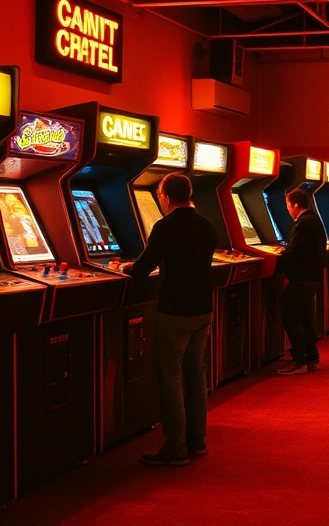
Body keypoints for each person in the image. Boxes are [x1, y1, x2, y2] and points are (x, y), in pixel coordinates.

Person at [122, 172, 217, 466]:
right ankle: (197, 440)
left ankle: (175, 447)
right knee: (196, 374)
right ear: (189, 194)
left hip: (175, 310)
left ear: (164, 197)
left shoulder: (165, 226)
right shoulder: (206, 225)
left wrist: (124, 267)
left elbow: (143, 267)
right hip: (203, 309)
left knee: (171, 377)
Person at [276, 188, 328, 375]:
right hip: (311, 277)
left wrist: (281, 256)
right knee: (306, 318)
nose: (288, 210)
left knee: (290, 316)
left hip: (301, 278)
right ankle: (312, 359)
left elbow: (295, 253)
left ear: (296, 205)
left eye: (289, 205)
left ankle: (299, 360)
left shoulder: (303, 223)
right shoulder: (314, 220)